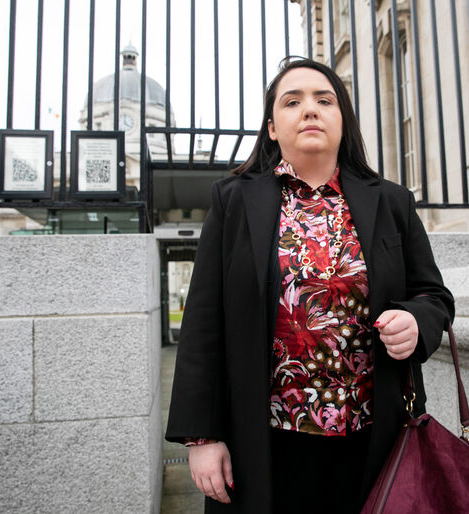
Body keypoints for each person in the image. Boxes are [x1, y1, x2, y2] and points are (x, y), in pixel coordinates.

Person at [166, 57, 454, 514]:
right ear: (273, 128)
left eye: (325, 100)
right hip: (264, 444)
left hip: (372, 445)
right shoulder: (234, 201)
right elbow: (204, 323)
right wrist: (202, 436)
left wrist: (418, 322)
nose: (310, 110)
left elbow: (434, 296)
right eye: (292, 101)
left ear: (343, 120)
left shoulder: (391, 201)